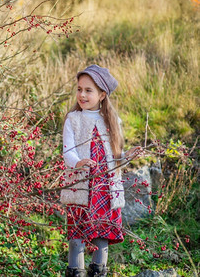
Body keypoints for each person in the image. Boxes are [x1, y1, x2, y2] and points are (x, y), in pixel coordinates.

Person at [61, 65, 142, 277]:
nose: (82, 94)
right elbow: (68, 152)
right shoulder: (73, 119)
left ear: (102, 94)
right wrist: (79, 163)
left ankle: (98, 272)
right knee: (76, 236)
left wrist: (129, 156)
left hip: (105, 189)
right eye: (79, 89)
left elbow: (116, 159)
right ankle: (75, 272)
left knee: (102, 234)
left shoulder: (113, 122)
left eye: (89, 90)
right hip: (81, 187)